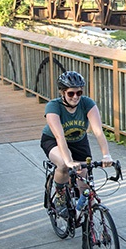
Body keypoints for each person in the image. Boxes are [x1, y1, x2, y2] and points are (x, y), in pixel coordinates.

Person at [41, 70, 113, 217]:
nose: (75, 97)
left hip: (79, 141)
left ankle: (91, 226)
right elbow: (59, 136)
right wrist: (68, 161)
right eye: (71, 93)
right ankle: (60, 197)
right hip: (53, 140)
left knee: (86, 188)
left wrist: (106, 155)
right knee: (62, 165)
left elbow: (98, 131)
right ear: (62, 92)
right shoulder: (53, 106)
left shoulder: (87, 103)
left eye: (79, 93)